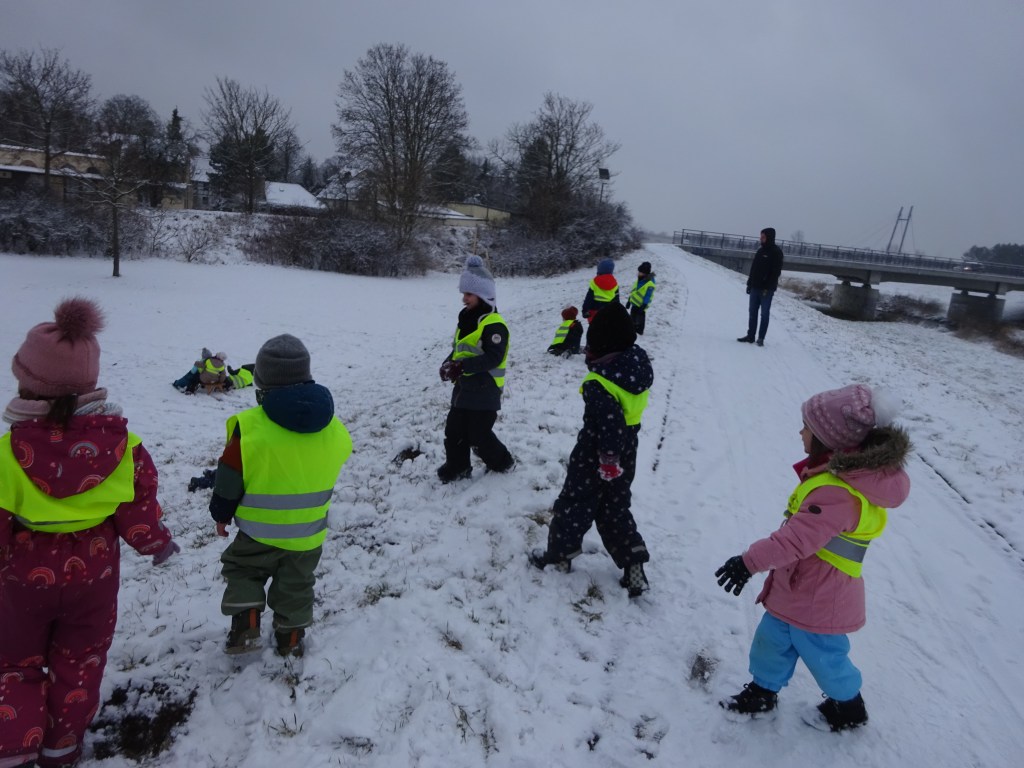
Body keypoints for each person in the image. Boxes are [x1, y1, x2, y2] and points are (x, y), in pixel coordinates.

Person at [0, 297, 179, 768]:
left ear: (28, 385)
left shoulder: (6, 453)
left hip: (23, 575)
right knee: (80, 660)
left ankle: (14, 746)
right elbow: (138, 511)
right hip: (93, 572)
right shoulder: (125, 448)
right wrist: (156, 542)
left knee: (13, 662)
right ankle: (60, 747)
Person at [715, 383, 911, 732]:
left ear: (827, 439)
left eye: (806, 427)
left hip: (822, 595)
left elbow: (794, 541)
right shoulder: (830, 477)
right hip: (798, 586)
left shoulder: (837, 494)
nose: (800, 432)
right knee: (772, 641)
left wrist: (747, 562)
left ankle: (849, 708)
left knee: (825, 656)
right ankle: (763, 691)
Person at [209, 334, 352, 658]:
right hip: (307, 534)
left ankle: (246, 626)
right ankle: (291, 638)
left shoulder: (250, 427)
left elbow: (229, 476)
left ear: (261, 381)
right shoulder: (334, 428)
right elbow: (339, 453)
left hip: (257, 532)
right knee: (296, 584)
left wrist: (221, 513)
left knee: (243, 570)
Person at [529, 302, 654, 597]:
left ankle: (560, 555)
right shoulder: (636, 367)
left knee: (575, 502)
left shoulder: (599, 382)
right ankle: (634, 564)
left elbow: (609, 423)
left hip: (595, 452)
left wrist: (607, 459)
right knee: (615, 507)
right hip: (628, 448)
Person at [436, 256, 515, 483]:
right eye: (464, 293)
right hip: (464, 388)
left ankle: (503, 462)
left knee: (478, 435)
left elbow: (494, 357)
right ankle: (458, 467)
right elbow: (459, 349)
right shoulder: (466, 320)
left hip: (485, 389)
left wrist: (462, 367)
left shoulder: (494, 324)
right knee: (454, 431)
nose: (464, 298)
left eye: (469, 294)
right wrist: (448, 364)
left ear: (483, 296)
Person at [737, 228, 784, 346]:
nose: (761, 239)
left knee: (764, 314)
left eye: (763, 237)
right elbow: (753, 269)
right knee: (752, 312)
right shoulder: (760, 251)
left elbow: (776, 273)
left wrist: (767, 287)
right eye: (760, 237)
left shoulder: (776, 252)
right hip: (755, 287)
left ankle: (761, 338)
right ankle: (750, 336)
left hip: (767, 290)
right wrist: (749, 283)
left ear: (769, 237)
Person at [173, 356, 254, 394]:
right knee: (221, 378)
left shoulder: (242, 370)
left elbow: (232, 372)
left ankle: (190, 390)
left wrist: (229, 367)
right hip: (228, 383)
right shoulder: (251, 378)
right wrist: (220, 381)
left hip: (207, 379)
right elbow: (223, 375)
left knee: (195, 378)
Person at [581, 258, 620, 323]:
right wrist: (618, 311)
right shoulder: (614, 283)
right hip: (609, 312)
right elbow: (616, 299)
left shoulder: (594, 282)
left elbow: (589, 298)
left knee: (595, 328)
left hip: (595, 312)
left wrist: (585, 310)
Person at [628, 261, 656, 335]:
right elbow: (634, 291)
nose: (638, 273)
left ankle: (639, 330)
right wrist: (629, 300)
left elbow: (648, 295)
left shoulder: (650, 284)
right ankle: (632, 328)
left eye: (640, 272)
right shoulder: (639, 280)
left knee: (640, 318)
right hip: (634, 303)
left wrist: (644, 305)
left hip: (642, 305)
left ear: (645, 273)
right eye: (639, 272)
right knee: (632, 316)